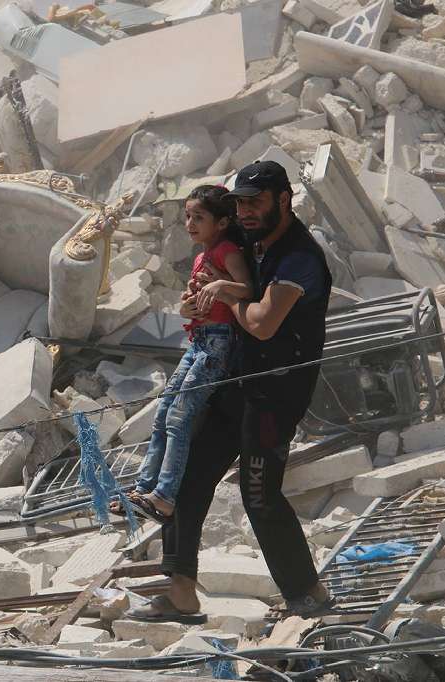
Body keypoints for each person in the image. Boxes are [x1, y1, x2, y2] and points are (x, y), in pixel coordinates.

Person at [124, 160, 335, 624]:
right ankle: (181, 592)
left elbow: (261, 324)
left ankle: (309, 595)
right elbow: (213, 284)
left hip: (274, 394)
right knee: (188, 477)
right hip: (233, 380)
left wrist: (226, 294)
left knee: (259, 494)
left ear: (284, 199)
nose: (246, 212)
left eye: (255, 202)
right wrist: (202, 294)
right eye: (239, 203)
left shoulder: (299, 257)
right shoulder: (247, 240)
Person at [126, 185, 251, 524]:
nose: (191, 224)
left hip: (218, 343)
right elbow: (191, 306)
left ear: (222, 222)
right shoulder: (200, 257)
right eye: (188, 217)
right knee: (164, 410)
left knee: (180, 416)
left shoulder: (228, 252)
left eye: (199, 217)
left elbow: (249, 290)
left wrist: (219, 285)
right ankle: (142, 489)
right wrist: (187, 306)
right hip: (198, 339)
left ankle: (164, 497)